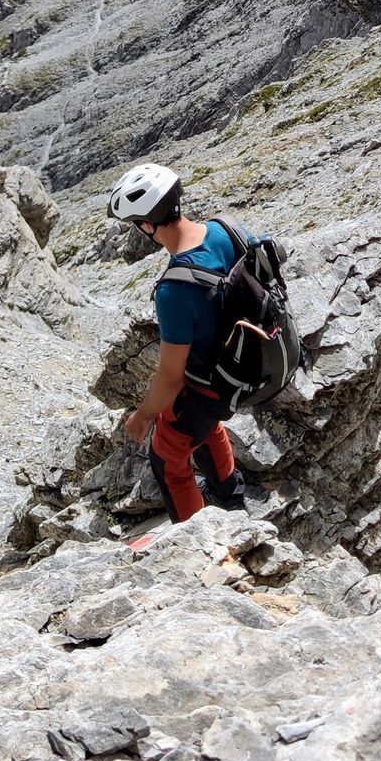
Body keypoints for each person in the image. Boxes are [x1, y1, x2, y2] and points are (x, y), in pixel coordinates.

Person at [107, 160, 247, 523]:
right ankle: (231, 497)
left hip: (210, 384)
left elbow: (170, 376)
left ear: (147, 225)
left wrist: (142, 417)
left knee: (167, 457)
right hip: (243, 366)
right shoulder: (225, 230)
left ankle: (200, 536)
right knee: (202, 423)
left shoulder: (174, 289)